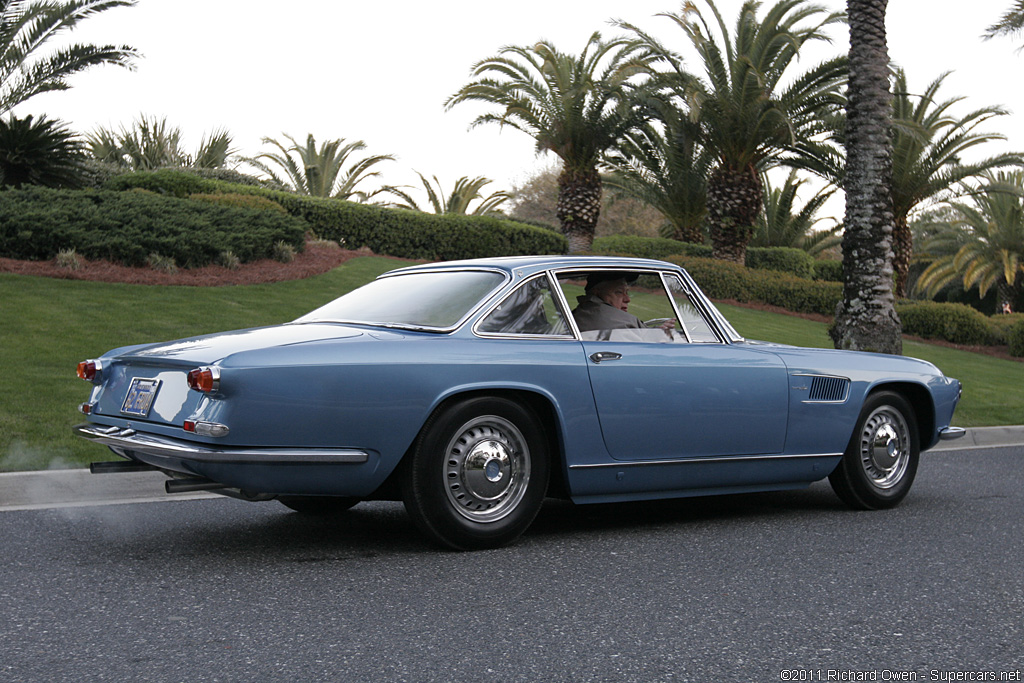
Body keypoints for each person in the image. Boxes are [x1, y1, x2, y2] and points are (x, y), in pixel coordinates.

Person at [571, 272, 646, 332]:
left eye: (626, 292)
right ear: (596, 293)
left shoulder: (577, 315)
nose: (627, 299)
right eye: (619, 292)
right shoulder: (625, 323)